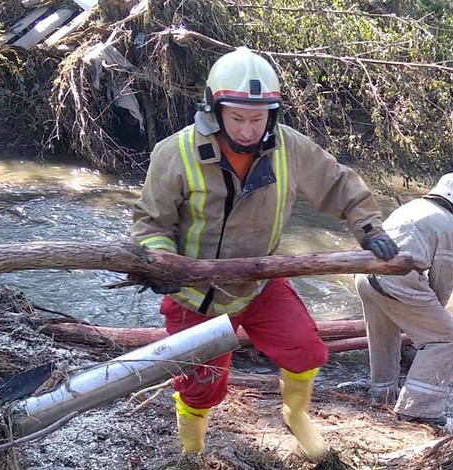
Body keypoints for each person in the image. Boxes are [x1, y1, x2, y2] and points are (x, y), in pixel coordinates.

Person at [130, 46, 398, 462]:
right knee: (202, 386)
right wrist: (160, 261)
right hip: (195, 296)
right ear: (214, 108)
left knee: (307, 351)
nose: (247, 130)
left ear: (272, 114)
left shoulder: (290, 148)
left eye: (258, 119)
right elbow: (151, 225)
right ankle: (192, 451)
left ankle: (296, 415)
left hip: (259, 284)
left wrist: (368, 228)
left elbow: (339, 184)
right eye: (236, 118)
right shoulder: (175, 153)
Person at [354, 170, 453, 426]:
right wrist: (432, 321)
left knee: (383, 336)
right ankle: (418, 408)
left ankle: (382, 394)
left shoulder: (413, 207)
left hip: (365, 275)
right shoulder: (451, 226)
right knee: (448, 337)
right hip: (398, 279)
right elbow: (443, 279)